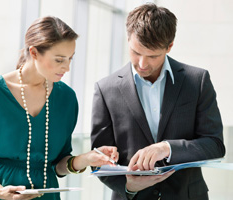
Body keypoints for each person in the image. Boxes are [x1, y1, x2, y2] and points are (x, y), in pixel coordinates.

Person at [0, 16, 118, 200]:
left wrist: (86, 159)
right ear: (34, 52)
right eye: (59, 60)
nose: (67, 67)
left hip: (46, 194)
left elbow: (59, 165)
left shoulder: (66, 98)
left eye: (70, 59)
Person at [90, 3, 225, 200]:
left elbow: (215, 145)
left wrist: (167, 148)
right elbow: (99, 159)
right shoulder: (106, 89)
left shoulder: (197, 81)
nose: (143, 64)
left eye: (153, 56)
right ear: (128, 40)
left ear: (169, 46)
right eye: (136, 52)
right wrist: (129, 185)